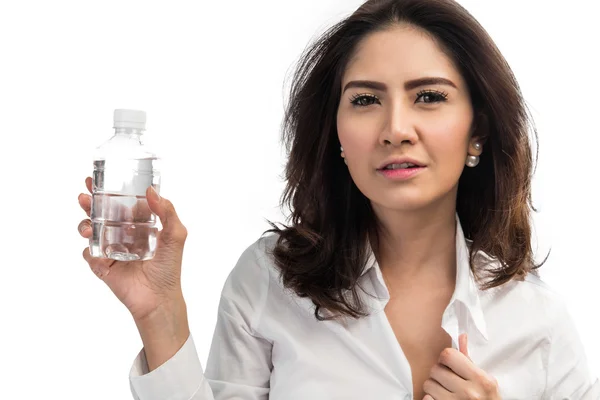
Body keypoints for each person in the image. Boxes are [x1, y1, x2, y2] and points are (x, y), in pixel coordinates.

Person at [77, 0, 599, 399]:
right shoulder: (269, 281)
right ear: (337, 134)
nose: (396, 129)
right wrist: (159, 312)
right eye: (366, 100)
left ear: (477, 130)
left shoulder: (538, 321)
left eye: (429, 97)